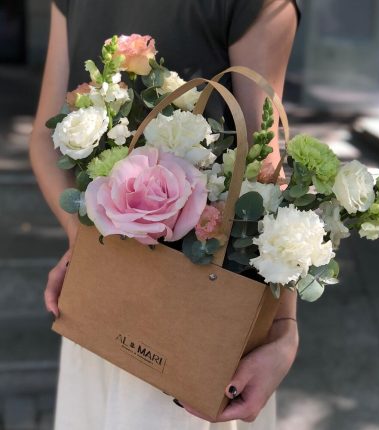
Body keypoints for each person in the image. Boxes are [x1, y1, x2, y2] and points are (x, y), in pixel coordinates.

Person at [29, 0, 300, 428]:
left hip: (150, 302)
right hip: (177, 303)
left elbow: (45, 138)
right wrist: (283, 323)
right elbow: (264, 167)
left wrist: (87, 238)